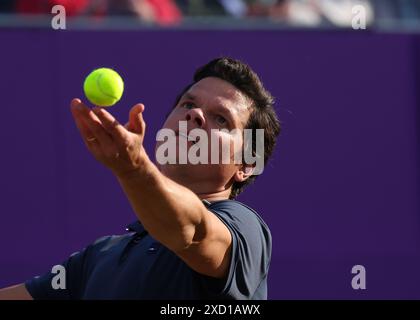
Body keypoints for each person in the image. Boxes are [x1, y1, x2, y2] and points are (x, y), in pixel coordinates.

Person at [0, 57, 280, 300]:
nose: (194, 114)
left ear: (246, 164)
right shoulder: (97, 258)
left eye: (221, 119)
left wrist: (134, 169)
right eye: (187, 104)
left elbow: (192, 232)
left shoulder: (245, 228)